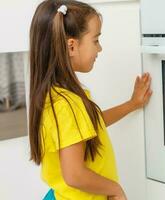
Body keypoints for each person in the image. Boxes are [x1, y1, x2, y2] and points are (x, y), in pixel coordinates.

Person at [28, 1, 152, 200]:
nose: (99, 48)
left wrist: (132, 104)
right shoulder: (65, 104)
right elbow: (74, 175)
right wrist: (114, 188)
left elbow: (92, 123)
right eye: (95, 40)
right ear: (71, 46)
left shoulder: (61, 95)